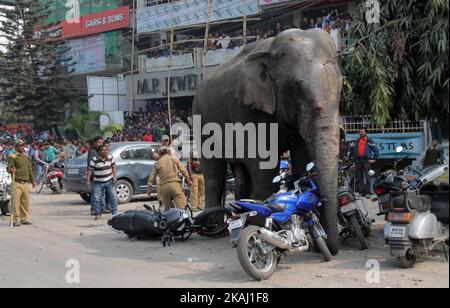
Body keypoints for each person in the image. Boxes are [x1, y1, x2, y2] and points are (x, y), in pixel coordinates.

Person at [147, 146, 192, 211]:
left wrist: (149, 190)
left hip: (164, 188)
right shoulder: (174, 159)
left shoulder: (157, 163)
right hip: (175, 185)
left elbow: (151, 178)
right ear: (168, 152)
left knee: (168, 210)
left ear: (159, 154)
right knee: (182, 207)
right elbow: (184, 171)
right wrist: (188, 181)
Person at [7, 139, 36, 227]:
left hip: (25, 183)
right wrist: (11, 170)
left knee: (25, 202)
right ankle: (15, 219)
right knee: (15, 202)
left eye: (23, 145)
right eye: (20, 145)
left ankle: (24, 219)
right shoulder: (13, 156)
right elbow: (9, 168)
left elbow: (30, 169)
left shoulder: (26, 157)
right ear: (16, 147)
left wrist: (33, 181)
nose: (22, 147)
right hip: (17, 182)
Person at [86, 144, 118, 220]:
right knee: (97, 199)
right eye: (103, 150)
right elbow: (90, 170)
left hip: (109, 181)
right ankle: (98, 213)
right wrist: (87, 181)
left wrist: (114, 177)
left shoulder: (110, 157)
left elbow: (114, 166)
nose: (105, 151)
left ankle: (115, 213)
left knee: (113, 197)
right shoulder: (94, 159)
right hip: (98, 182)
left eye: (106, 150)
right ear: (99, 151)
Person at [350, 128, 379, 197]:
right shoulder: (357, 141)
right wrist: (352, 159)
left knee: (368, 176)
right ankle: (361, 192)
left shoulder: (369, 140)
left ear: (366, 133)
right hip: (358, 161)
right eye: (360, 132)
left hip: (367, 160)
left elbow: (375, 149)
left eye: (362, 132)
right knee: (359, 177)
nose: (361, 133)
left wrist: (374, 158)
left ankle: (368, 192)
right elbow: (352, 150)